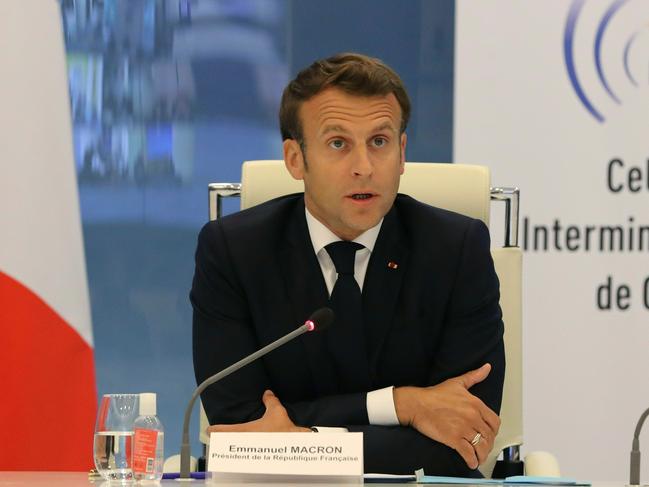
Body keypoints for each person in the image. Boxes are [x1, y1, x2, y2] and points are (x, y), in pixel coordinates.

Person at [190, 52, 504, 476]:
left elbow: (462, 441)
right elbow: (240, 430)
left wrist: (301, 444)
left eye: (379, 141)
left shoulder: (456, 250)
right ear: (295, 159)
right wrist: (404, 404)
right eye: (338, 144)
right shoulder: (233, 252)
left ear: (402, 152)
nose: (364, 168)